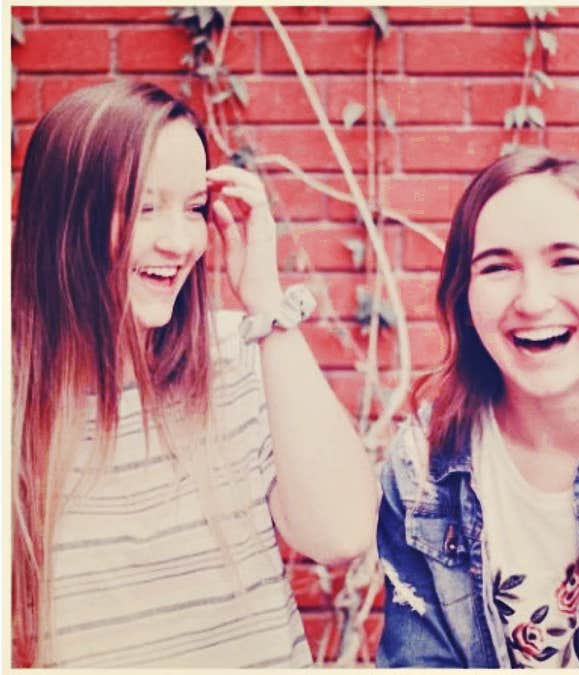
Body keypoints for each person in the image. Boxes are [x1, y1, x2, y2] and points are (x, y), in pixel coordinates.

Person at [10, 81, 377, 667]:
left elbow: (341, 534)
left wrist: (266, 304)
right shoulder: (18, 401)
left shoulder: (241, 355)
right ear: (62, 223)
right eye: (142, 206)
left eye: (194, 208)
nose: (179, 241)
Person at [375, 150, 579, 668]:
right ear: (465, 303)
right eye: (498, 267)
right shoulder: (423, 472)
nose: (533, 300)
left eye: (567, 261)